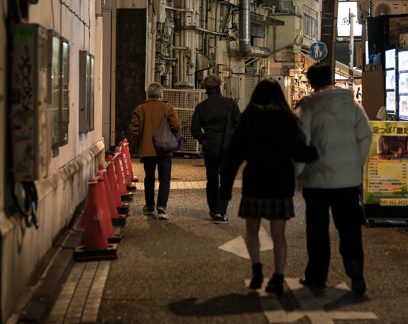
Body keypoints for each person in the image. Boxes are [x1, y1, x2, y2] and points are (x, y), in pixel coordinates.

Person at [221, 80, 317, 295]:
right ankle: (278, 277)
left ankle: (257, 270)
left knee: (251, 229)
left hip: (254, 181)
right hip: (280, 182)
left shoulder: (247, 119)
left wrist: (225, 189)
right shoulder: (287, 120)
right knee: (278, 234)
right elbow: (299, 152)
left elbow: (233, 158)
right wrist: (319, 152)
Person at [296, 63, 372, 296]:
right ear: (331, 79)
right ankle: (354, 266)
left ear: (311, 83)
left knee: (317, 229)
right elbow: (366, 136)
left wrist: (297, 174)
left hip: (316, 180)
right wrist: (355, 164)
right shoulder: (351, 105)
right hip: (347, 180)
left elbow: (300, 143)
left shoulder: (307, 106)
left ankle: (317, 276)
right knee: (349, 227)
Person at [191, 74, 241, 224]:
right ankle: (220, 212)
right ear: (220, 87)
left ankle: (213, 209)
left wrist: (203, 140)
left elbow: (194, 129)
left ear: (206, 89)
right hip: (228, 146)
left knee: (212, 178)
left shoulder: (201, 107)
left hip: (210, 147)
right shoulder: (230, 104)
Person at [129, 83, 182, 220]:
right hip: (165, 149)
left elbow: (134, 130)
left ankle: (149, 206)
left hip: (148, 151)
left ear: (148, 95)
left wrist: (140, 145)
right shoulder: (167, 107)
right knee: (164, 179)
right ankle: (161, 208)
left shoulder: (140, 109)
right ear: (161, 95)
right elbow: (176, 126)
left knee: (149, 178)